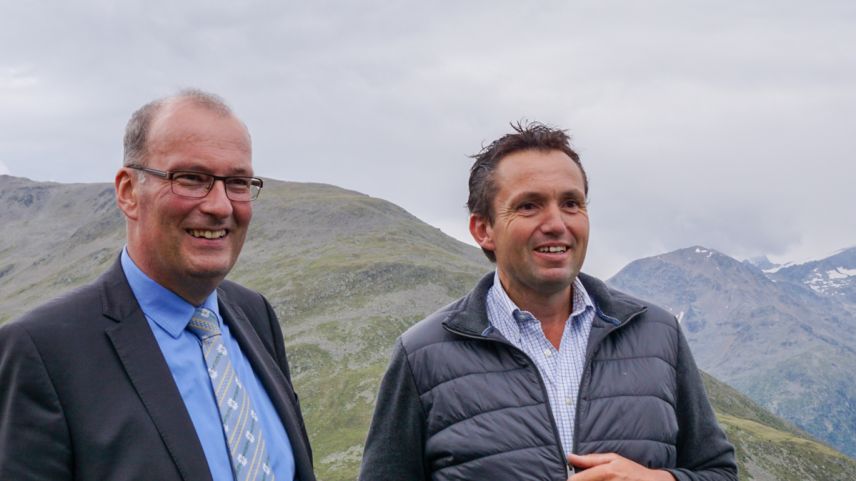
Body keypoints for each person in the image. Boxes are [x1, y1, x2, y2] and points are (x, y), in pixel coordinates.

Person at [359, 122, 737, 481]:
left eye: (571, 203)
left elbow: (718, 471)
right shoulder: (423, 354)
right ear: (483, 229)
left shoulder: (657, 334)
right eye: (529, 206)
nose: (557, 223)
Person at [0, 90, 316, 481]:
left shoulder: (255, 316)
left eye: (237, 182)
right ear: (129, 192)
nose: (220, 206)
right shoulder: (41, 352)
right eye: (191, 179)